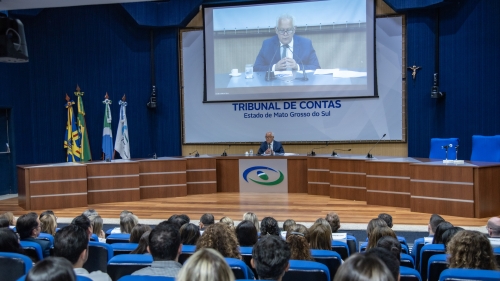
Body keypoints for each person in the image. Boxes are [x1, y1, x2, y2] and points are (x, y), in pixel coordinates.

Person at [253, 14, 320, 72]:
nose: (285, 34)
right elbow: (256, 68)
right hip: (275, 85)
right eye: (282, 30)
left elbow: (316, 67)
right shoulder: (267, 44)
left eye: (289, 30)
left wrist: (298, 67)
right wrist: (274, 67)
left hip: (299, 84)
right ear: (276, 30)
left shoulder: (306, 44)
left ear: (294, 29)